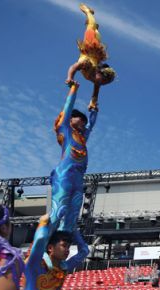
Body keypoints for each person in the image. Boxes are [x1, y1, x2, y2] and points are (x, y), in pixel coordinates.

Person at [51, 79, 99, 232]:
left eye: (84, 120)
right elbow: (67, 108)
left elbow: (91, 124)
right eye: (80, 117)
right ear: (70, 119)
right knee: (58, 211)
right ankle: (42, 247)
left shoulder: (82, 137)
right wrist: (73, 90)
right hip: (64, 174)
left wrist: (94, 108)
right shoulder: (65, 129)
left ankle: (61, 248)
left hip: (78, 178)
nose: (83, 121)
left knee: (72, 218)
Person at [65, 3, 115, 109]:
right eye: (103, 80)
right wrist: (70, 78)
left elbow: (95, 95)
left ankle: (96, 28)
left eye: (105, 83)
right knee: (90, 27)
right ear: (98, 73)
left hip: (95, 52)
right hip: (90, 46)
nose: (102, 83)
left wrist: (92, 104)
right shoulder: (88, 65)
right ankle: (88, 12)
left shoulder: (98, 81)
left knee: (96, 32)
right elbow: (74, 67)